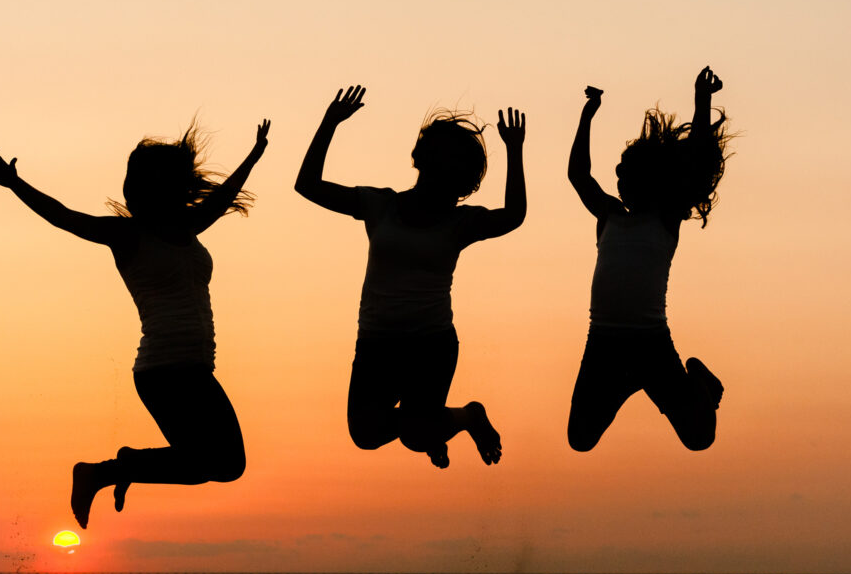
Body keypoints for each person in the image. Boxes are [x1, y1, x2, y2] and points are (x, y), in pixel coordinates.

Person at [0, 118, 270, 528]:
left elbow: (222, 198)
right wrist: (15, 184)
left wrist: (254, 156)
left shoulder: (189, 227)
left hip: (198, 367)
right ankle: (107, 470)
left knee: (226, 465)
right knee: (214, 463)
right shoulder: (126, 235)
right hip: (164, 371)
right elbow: (63, 216)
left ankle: (112, 469)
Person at [295, 85, 526, 468]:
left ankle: (464, 418)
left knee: (417, 436)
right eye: (439, 160)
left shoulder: (460, 222)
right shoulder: (380, 204)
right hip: (377, 343)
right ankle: (434, 425)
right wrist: (330, 123)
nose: (444, 174)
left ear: (462, 181)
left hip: (430, 344)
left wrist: (514, 150)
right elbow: (308, 186)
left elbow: (513, 215)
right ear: (421, 160)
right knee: (366, 435)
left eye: (454, 169)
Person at [566, 66, 730, 452]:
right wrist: (587, 116)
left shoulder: (665, 218)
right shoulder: (608, 215)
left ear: (652, 180)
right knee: (579, 439)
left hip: (651, 342)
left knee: (699, 438)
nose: (619, 182)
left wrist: (702, 101)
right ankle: (627, 383)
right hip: (603, 342)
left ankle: (700, 382)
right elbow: (578, 175)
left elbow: (698, 158)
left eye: (627, 176)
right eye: (619, 176)